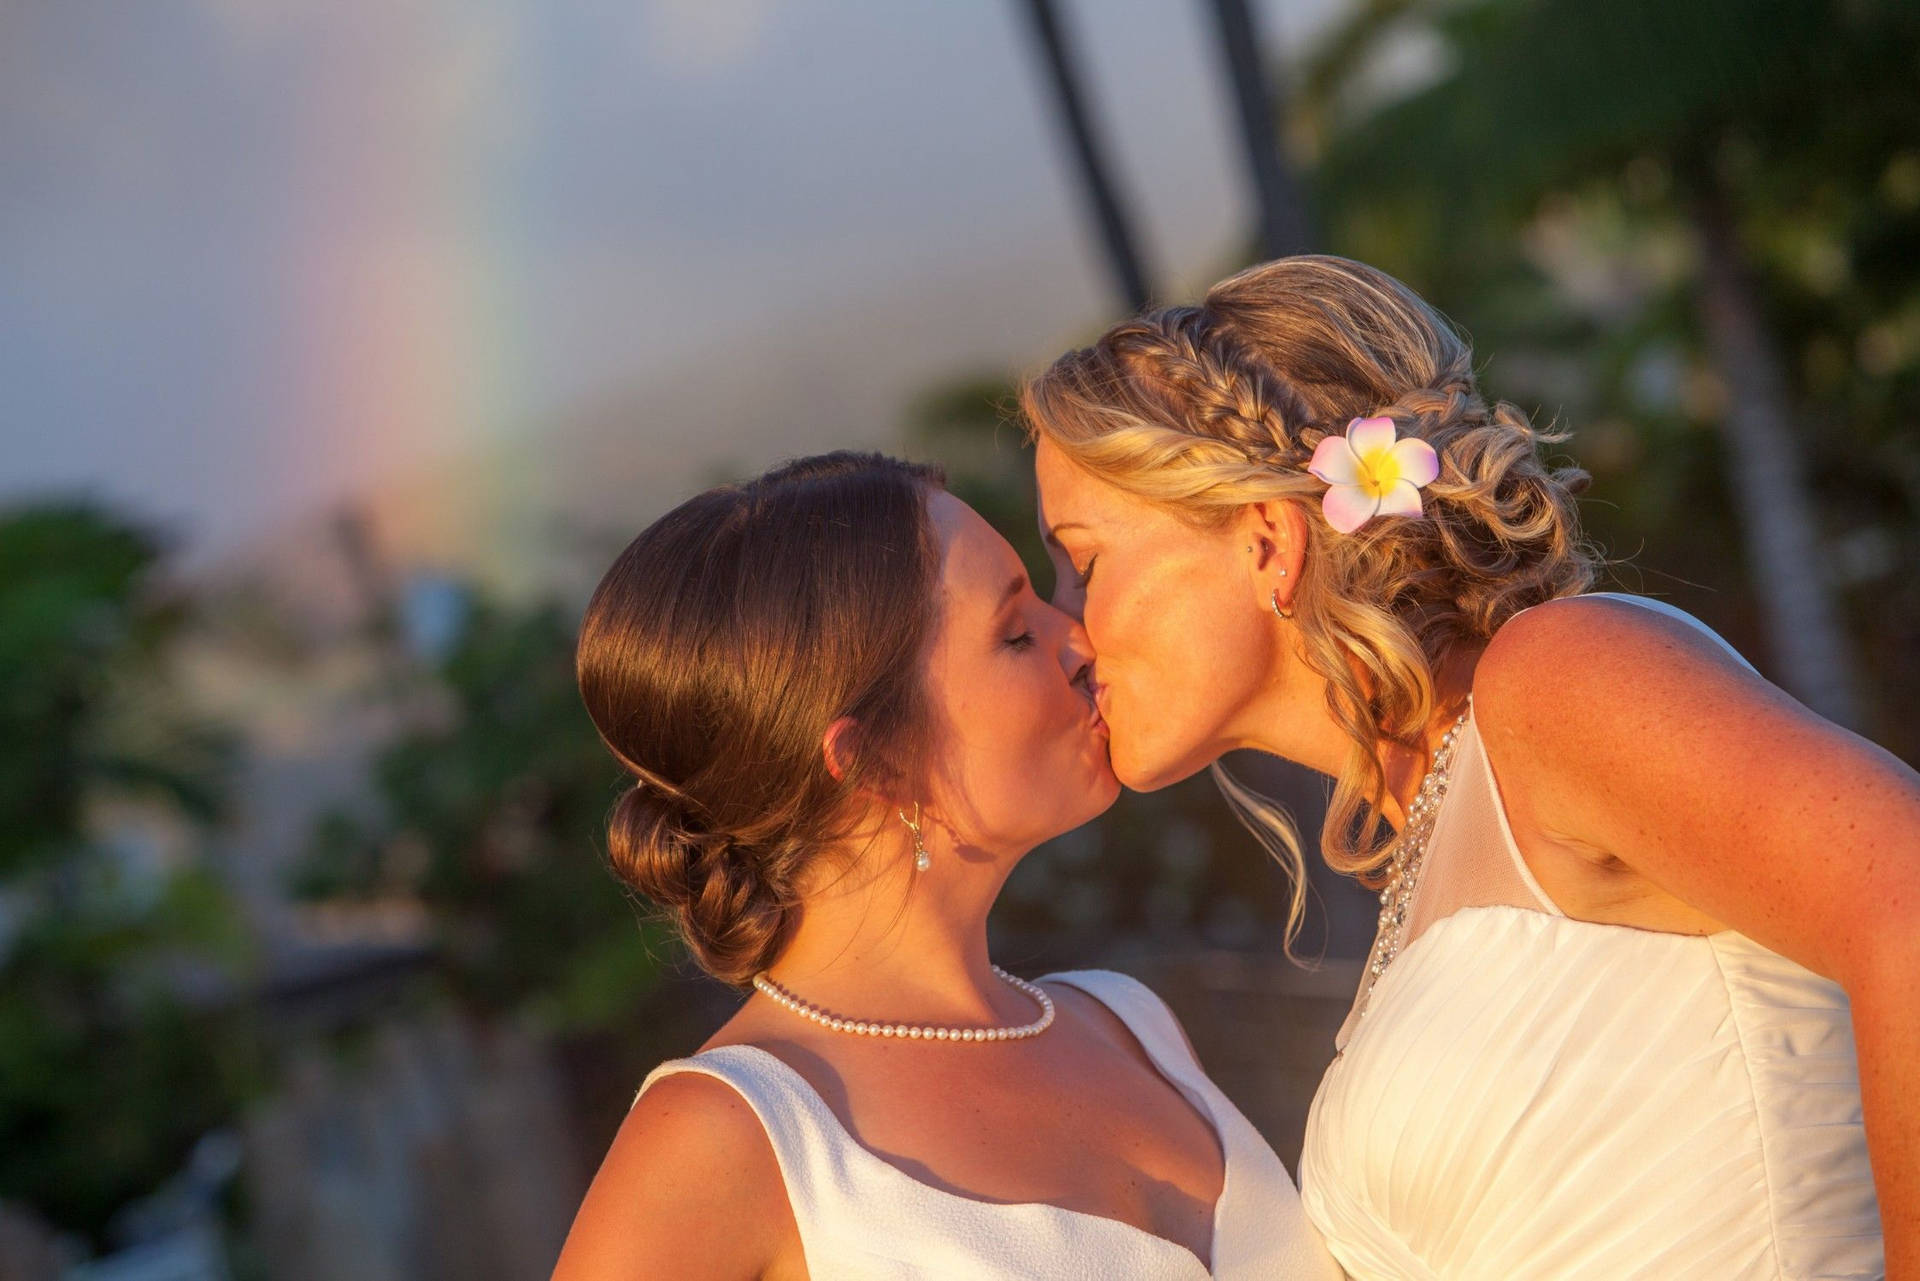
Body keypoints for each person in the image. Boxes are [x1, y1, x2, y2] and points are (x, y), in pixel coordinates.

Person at [1022, 255, 1914, 1279]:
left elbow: (1906, 904)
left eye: (1083, 562)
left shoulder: (1554, 685)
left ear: (1267, 540)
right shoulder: (1426, 854)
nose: (1070, 630)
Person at [550, 452, 1343, 1280]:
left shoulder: (1131, 1025)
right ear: (871, 762)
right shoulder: (733, 1132)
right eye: (1014, 633)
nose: (1078, 638)